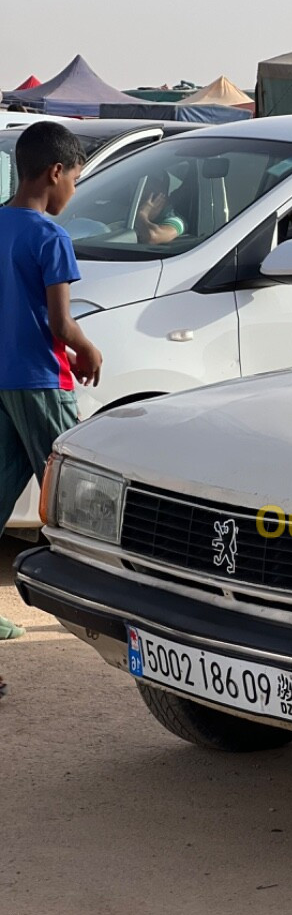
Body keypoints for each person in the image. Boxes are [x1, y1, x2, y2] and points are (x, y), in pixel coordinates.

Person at [0, 121, 103, 639]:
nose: (74, 191)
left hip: (1, 378)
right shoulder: (50, 236)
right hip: (41, 378)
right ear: (55, 172)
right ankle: (102, 605)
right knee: (76, 494)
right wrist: (87, 348)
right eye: (76, 180)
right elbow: (61, 326)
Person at [135, 172, 187, 246]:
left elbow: (152, 237)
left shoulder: (176, 221)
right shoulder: (129, 209)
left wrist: (141, 215)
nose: (142, 193)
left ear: (160, 195)